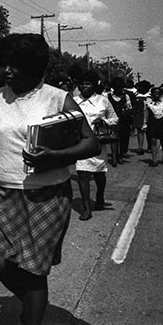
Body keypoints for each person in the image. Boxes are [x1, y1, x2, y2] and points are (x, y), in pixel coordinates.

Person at [0, 34, 99, 325]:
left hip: (47, 194)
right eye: (3, 64)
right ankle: (31, 302)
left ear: (33, 67)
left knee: (33, 271)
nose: (6, 70)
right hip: (3, 191)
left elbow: (91, 143)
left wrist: (55, 156)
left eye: (14, 65)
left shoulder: (57, 98)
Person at [73, 71, 118, 221]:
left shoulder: (103, 101)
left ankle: (100, 196)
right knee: (82, 174)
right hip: (80, 143)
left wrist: (103, 121)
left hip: (98, 143)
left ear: (94, 85)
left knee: (99, 173)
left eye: (87, 84)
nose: (84, 87)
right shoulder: (73, 101)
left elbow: (115, 119)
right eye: (81, 84)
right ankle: (86, 208)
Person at [106, 77, 134, 165]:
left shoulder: (126, 96)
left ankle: (121, 155)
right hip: (112, 120)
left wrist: (126, 108)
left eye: (121, 88)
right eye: (117, 88)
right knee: (113, 139)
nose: (119, 90)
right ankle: (114, 157)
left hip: (124, 120)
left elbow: (130, 108)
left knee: (123, 139)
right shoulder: (107, 96)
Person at [144, 86, 163, 167]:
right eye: (155, 93)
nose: (156, 95)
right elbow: (146, 114)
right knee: (153, 140)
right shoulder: (148, 103)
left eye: (158, 93)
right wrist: (145, 124)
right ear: (152, 94)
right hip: (152, 123)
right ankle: (154, 160)